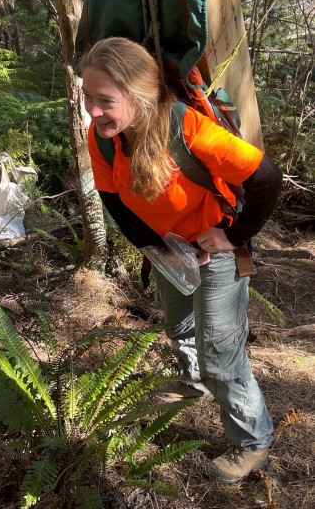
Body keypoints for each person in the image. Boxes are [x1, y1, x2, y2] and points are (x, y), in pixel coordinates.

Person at [79, 37, 283, 483]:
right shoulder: (105, 136)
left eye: (105, 101)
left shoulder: (189, 129)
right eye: (88, 96)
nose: (93, 111)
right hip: (168, 250)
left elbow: (267, 179)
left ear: (137, 95)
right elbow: (111, 197)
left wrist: (231, 236)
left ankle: (253, 441)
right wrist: (155, 247)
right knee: (180, 325)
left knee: (221, 355)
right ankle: (192, 384)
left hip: (216, 255)